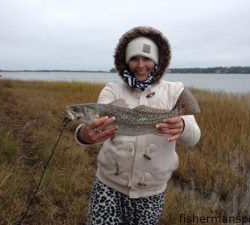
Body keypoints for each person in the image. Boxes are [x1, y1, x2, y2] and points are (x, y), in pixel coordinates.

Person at [75, 26, 201, 225]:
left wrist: (183, 125)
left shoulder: (175, 90)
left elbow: (194, 138)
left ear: (157, 61)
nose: (140, 65)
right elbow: (95, 127)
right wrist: (83, 134)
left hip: (152, 191)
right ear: (125, 62)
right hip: (109, 184)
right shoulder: (112, 90)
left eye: (146, 58)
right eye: (134, 58)